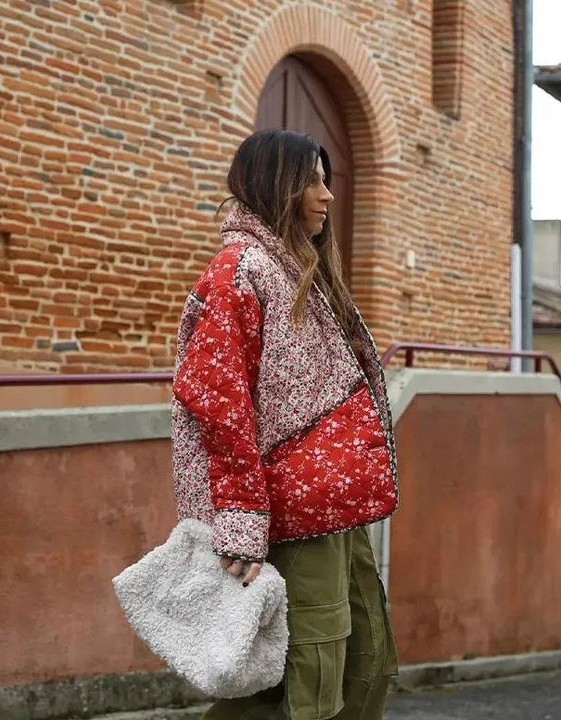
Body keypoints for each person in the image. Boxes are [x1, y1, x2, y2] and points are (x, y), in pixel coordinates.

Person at [171, 129, 399, 720]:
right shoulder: (240, 272)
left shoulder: (302, 271)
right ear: (278, 185)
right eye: (312, 180)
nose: (327, 195)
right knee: (303, 679)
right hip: (287, 519)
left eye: (328, 178)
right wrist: (241, 526)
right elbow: (218, 408)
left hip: (336, 512)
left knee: (363, 658)